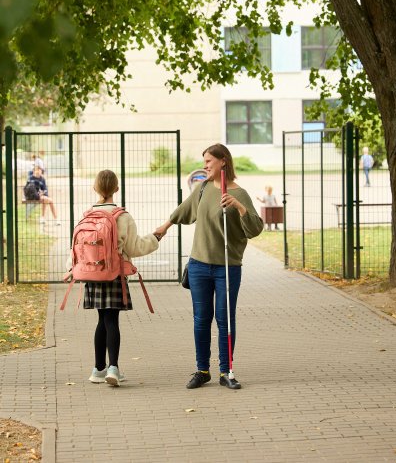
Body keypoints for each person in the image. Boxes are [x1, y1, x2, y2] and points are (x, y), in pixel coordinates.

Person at [155, 144, 263, 390]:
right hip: (199, 266)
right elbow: (184, 211)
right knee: (201, 320)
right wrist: (163, 228)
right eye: (204, 162)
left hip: (227, 267)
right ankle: (202, 370)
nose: (205, 166)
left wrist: (238, 206)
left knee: (225, 319)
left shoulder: (240, 193)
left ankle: (226, 371)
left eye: (208, 161)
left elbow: (255, 228)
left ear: (223, 161)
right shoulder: (202, 188)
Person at [67, 170, 162, 387]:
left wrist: (71, 268)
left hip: (91, 274)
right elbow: (135, 247)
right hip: (114, 274)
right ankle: (113, 368)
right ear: (116, 189)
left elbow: (77, 247)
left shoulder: (87, 215)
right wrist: (155, 238)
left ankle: (97, 369)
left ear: (95, 188)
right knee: (112, 320)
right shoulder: (123, 216)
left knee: (101, 319)